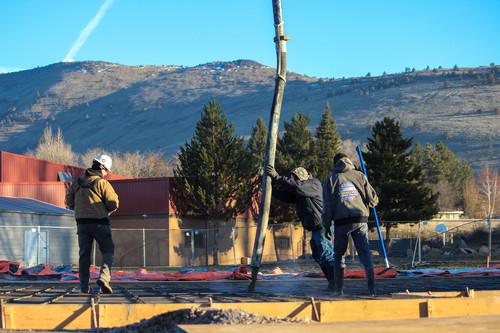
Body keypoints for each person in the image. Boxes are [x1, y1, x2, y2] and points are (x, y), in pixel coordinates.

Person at [266, 164, 335, 291]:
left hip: (323, 225)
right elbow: (285, 196)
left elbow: (297, 187)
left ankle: (337, 284)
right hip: (316, 227)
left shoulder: (314, 184)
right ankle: (332, 283)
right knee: (318, 255)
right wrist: (270, 187)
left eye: (295, 178)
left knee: (326, 253)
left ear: (303, 177)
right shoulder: (301, 191)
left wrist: (277, 177)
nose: (294, 181)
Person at [322, 152, 379, 296]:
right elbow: (373, 200)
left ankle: (338, 291)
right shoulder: (359, 176)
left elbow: (327, 206)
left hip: (341, 222)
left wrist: (326, 225)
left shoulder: (331, 179)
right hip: (360, 221)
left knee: (339, 256)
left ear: (335, 163)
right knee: (365, 255)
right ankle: (371, 289)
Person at [65, 155, 119, 294]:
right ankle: (104, 278)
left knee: (84, 256)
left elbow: (69, 200)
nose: (106, 174)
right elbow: (113, 203)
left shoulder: (77, 183)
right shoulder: (102, 183)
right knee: (108, 251)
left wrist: (80, 210)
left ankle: (84, 287)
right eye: (106, 171)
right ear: (103, 168)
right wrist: (104, 211)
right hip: (100, 223)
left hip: (82, 224)